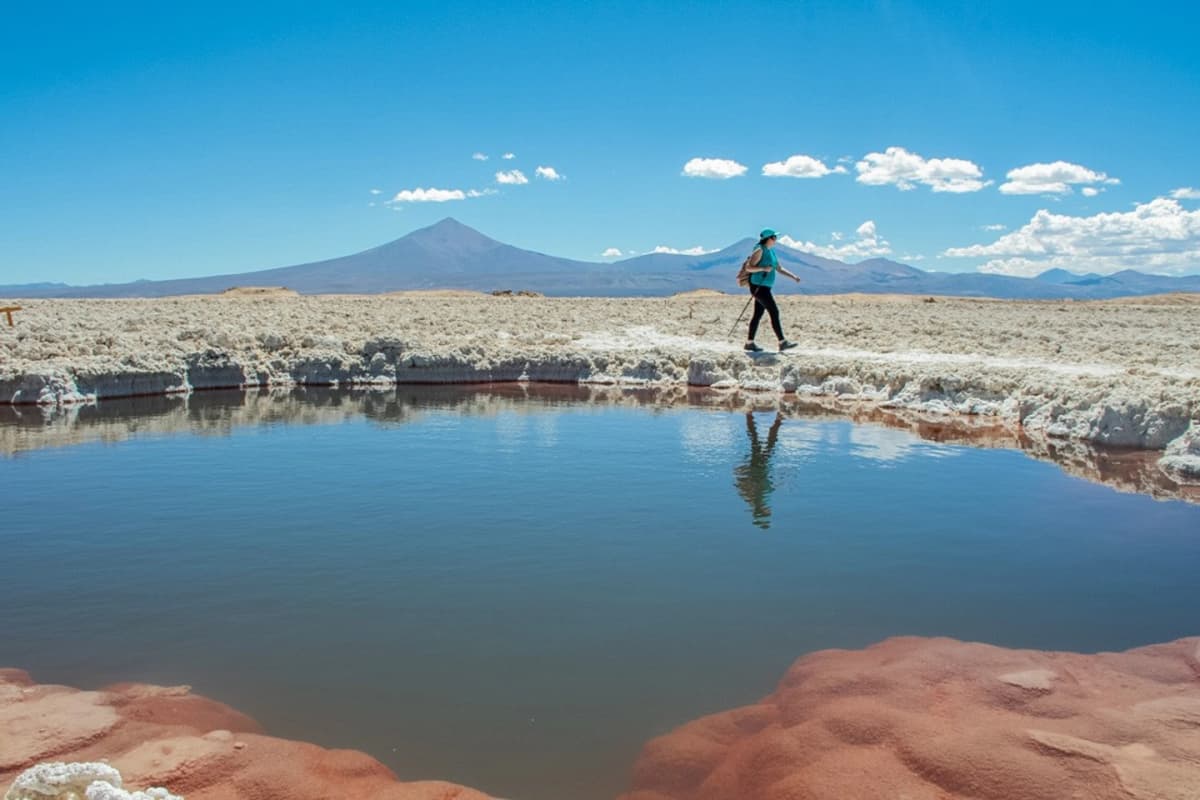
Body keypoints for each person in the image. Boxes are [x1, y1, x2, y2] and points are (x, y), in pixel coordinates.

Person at [744, 228, 801, 353]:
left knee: (757, 314)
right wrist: (763, 268)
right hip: (758, 287)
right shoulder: (759, 250)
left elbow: (779, 268)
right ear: (768, 239)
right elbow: (749, 267)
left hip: (765, 287)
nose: (776, 239)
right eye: (774, 237)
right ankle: (782, 342)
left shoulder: (771, 251)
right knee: (774, 311)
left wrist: (793, 276)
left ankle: (749, 343)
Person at [734, 411, 783, 529]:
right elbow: (765, 484)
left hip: (757, 467)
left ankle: (752, 415)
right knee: (762, 443)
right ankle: (776, 419)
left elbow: (748, 483)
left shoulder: (753, 498)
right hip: (761, 468)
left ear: (761, 511)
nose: (769, 511)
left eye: (766, 513)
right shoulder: (756, 499)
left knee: (757, 441)